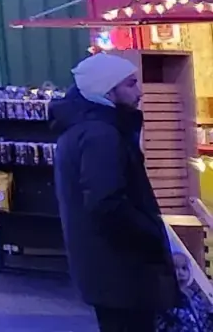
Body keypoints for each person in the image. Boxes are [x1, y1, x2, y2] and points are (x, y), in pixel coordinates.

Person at [56, 52, 180, 332]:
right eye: (131, 84)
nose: (139, 92)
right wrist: (151, 234)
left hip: (108, 268)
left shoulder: (84, 129)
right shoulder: (102, 135)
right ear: (108, 91)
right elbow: (105, 202)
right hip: (122, 269)